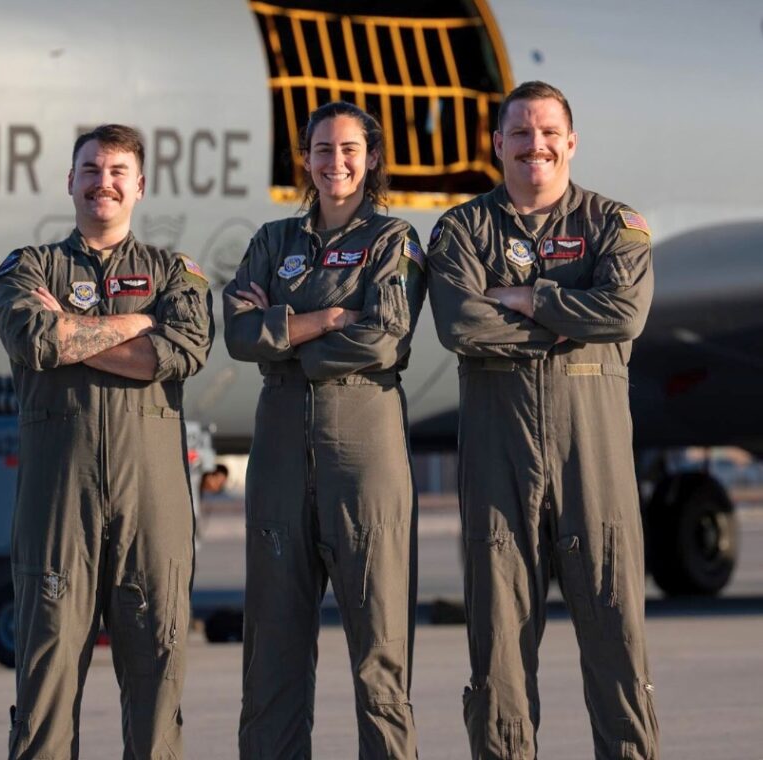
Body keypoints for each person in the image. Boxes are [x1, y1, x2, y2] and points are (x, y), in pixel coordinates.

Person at [425, 81, 660, 758]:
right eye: (520, 134)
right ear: (498, 144)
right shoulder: (463, 229)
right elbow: (463, 323)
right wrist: (566, 319)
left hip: (594, 458)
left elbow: (625, 314)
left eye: (549, 132)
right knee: (498, 659)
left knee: (617, 642)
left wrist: (528, 297)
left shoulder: (614, 224)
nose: (536, 146)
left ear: (571, 141)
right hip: (500, 459)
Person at [0, 124, 213, 760]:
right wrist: (140, 326)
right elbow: (36, 341)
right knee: (46, 683)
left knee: (156, 681)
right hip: (60, 502)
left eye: (118, 171)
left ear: (139, 187)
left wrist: (74, 329)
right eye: (91, 169)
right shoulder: (28, 267)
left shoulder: (176, 273)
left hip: (153, 504)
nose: (103, 182)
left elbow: (179, 351)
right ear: (71, 182)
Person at [224, 101, 425, 758]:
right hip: (281, 452)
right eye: (322, 149)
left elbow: (385, 338)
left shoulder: (394, 242)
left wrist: (285, 334)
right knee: (273, 654)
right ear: (305, 159)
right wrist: (326, 319)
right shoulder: (272, 241)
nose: (334, 162)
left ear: (370, 159)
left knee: (379, 655)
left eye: (348, 149)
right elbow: (237, 332)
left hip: (362, 450)